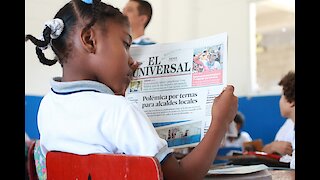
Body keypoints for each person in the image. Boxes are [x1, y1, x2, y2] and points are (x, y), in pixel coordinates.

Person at [25, 0, 238, 179]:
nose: (131, 60)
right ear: (90, 40)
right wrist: (220, 122)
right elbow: (181, 176)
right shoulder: (119, 111)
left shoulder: (47, 106)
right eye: (126, 45)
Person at [262, 71, 295, 169]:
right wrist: (273, 146)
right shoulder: (289, 124)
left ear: (291, 102)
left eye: (282, 96)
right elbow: (264, 151)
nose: (279, 101)